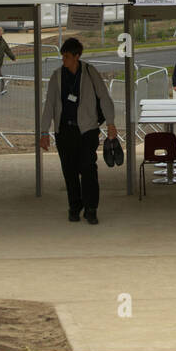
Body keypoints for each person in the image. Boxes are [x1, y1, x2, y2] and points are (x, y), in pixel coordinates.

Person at [40, 37, 117, 224]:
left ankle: (91, 208)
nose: (63, 60)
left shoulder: (90, 73)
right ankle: (75, 206)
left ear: (77, 56)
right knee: (70, 170)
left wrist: (111, 123)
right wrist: (44, 132)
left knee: (88, 168)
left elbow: (104, 98)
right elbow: (49, 104)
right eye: (62, 57)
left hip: (87, 130)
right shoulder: (57, 76)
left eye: (66, 56)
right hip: (64, 131)